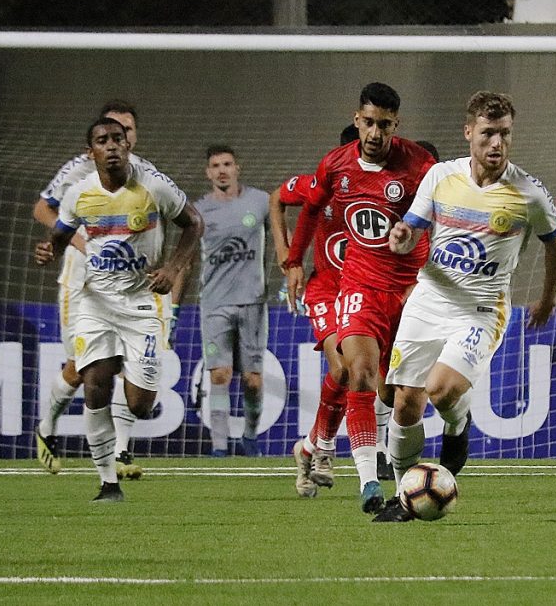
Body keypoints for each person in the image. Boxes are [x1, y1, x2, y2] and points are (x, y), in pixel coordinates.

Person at [373, 91, 556, 522]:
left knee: (440, 389)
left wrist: (549, 295)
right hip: (430, 298)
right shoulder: (441, 176)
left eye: (504, 134)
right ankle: (405, 497)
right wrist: (402, 237)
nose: (496, 144)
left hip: (481, 308)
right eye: (488, 134)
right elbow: (412, 227)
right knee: (405, 403)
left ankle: (458, 426)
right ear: (469, 133)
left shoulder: (528, 192)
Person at [284, 83, 435, 513]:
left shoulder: (419, 166)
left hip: (409, 293)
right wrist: (294, 260)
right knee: (359, 373)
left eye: (384, 125)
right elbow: (309, 206)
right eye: (368, 123)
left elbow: (442, 216)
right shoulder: (335, 165)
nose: (375, 133)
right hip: (358, 287)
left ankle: (315, 444)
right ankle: (369, 481)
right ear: (357, 120)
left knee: (398, 396)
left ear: (396, 126)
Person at [34, 117, 202, 501]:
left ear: (128, 145)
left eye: (117, 139)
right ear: (90, 151)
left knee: (141, 404)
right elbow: (60, 232)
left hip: (141, 303)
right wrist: (50, 248)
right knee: (94, 385)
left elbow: (193, 223)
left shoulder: (153, 185)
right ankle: (108, 482)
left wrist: (173, 268)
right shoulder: (78, 193)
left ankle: (120, 440)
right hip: (95, 302)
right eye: (102, 140)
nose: (111, 146)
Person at [32, 100, 156, 480]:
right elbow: (42, 209)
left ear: (132, 137)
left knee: (124, 365)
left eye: (126, 131)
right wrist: (75, 241)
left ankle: (120, 452)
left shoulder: (147, 174)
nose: (118, 139)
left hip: (130, 289)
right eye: (110, 131)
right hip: (81, 283)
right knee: (81, 369)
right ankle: (47, 427)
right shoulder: (77, 170)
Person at [272, 124, 356, 497]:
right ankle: (325, 449)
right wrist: (286, 255)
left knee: (358, 375)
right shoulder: (319, 185)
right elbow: (276, 198)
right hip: (324, 287)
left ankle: (308, 447)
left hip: (361, 291)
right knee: (343, 367)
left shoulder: (384, 192)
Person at [174, 145, 270, 457]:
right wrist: (173, 305)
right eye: (215, 165)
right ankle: (218, 448)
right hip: (214, 304)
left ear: (237, 167)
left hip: (253, 303)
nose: (222, 170)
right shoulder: (199, 210)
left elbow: (283, 238)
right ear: (208, 172)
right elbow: (186, 260)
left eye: (227, 164)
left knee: (253, 381)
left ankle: (250, 436)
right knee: (220, 375)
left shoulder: (260, 202)